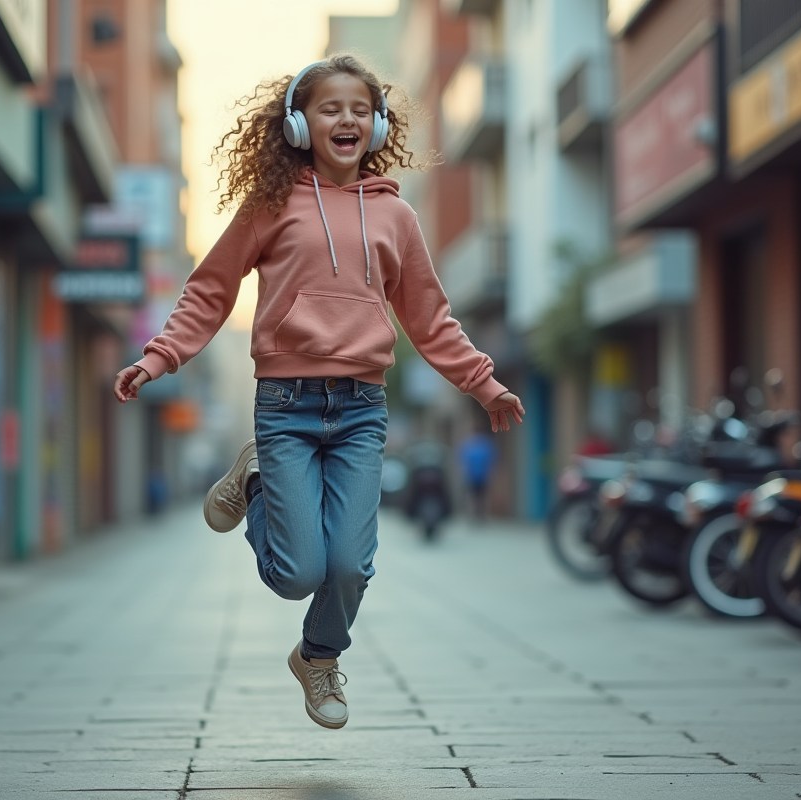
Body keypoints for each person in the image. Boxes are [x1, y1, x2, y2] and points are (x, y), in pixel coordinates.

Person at [112, 56, 524, 730]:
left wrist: (483, 382)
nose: (347, 120)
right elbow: (211, 290)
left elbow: (430, 318)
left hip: (362, 409)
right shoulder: (270, 204)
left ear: (378, 125)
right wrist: (160, 357)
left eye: (361, 109)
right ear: (300, 124)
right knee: (297, 572)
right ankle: (253, 484)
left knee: (351, 565)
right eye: (331, 108)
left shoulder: (397, 216)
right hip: (286, 405)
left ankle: (319, 656)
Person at [457, 428, 497, 519]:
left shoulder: (472, 444)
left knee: (477, 496)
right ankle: (478, 514)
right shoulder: (483, 444)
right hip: (477, 476)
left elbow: (463, 460)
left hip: (478, 476)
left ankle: (478, 514)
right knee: (479, 496)